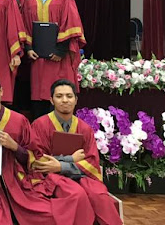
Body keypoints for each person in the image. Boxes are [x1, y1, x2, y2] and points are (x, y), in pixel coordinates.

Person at [0, 71, 94, 225]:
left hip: (18, 181)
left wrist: (15, 146)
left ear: (1, 91)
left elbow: (34, 156)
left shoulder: (19, 121)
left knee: (47, 215)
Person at [32, 80, 123, 225]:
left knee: (100, 195)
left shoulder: (85, 129)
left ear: (76, 100)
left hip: (81, 175)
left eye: (69, 96)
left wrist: (61, 166)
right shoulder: (40, 125)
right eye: (59, 96)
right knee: (77, 194)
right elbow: (39, 159)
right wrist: (71, 159)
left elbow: (91, 162)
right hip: (51, 177)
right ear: (51, 100)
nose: (65, 100)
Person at [22, 0, 85, 119]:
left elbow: (71, 22)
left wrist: (61, 51)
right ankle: (40, 128)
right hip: (38, 58)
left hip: (58, 58)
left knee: (59, 92)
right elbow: (25, 25)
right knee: (39, 95)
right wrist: (29, 49)